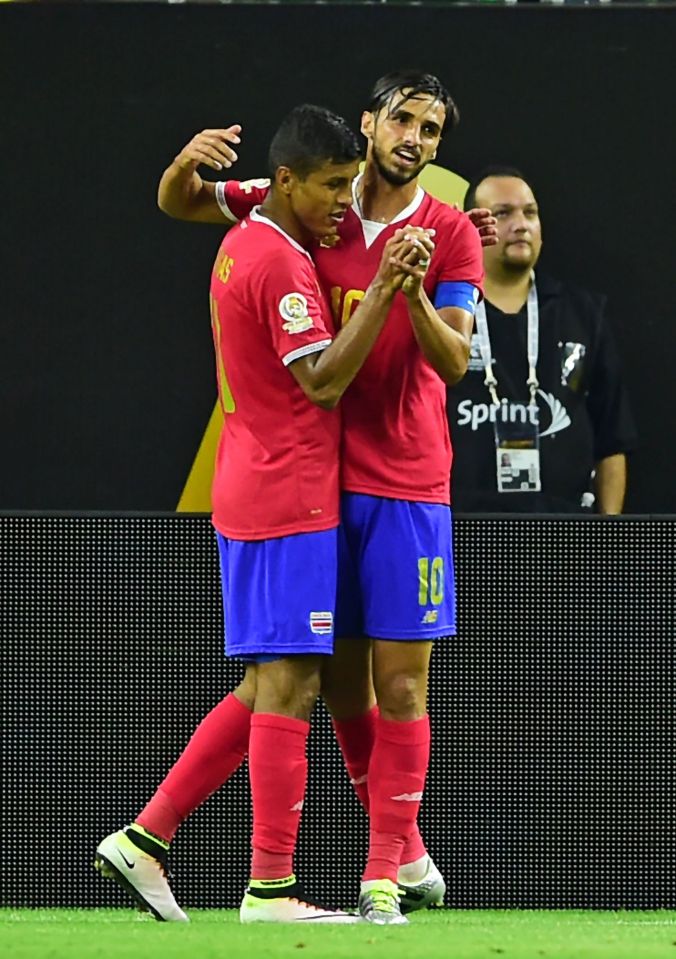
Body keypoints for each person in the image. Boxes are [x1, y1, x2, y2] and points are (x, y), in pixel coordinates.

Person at [99, 69, 489, 926]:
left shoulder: (453, 232)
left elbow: (457, 361)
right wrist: (181, 165)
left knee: (391, 683)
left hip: (406, 480)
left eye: (432, 128)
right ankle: (346, 861)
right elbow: (189, 202)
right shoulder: (320, 203)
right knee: (317, 679)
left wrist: (409, 286)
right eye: (403, 119)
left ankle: (385, 868)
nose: (415, 138)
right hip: (315, 483)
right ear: (370, 122)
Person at [447, 167, 636, 513]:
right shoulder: (443, 313)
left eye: (530, 212)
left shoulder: (583, 314)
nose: (521, 224)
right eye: (502, 213)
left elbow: (612, 439)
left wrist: (609, 538)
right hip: (460, 523)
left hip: (562, 526)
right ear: (471, 226)